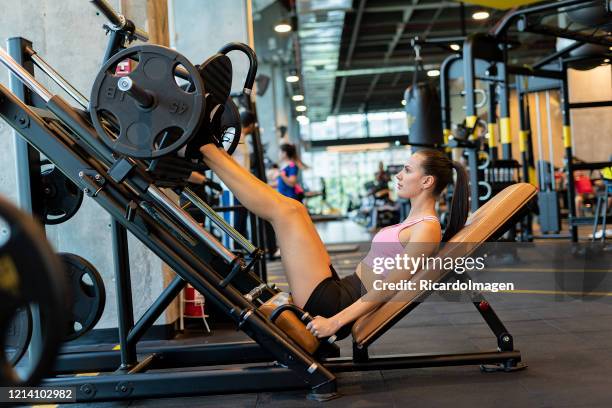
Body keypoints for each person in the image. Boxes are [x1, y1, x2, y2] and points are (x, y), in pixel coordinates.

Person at [198, 140, 469, 338]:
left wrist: (334, 323)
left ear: (427, 182)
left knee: (287, 212)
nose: (398, 175)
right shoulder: (417, 221)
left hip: (334, 304)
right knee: (295, 209)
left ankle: (207, 151)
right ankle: (214, 153)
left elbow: (389, 288)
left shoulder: (427, 229)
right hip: (339, 288)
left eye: (408, 170)